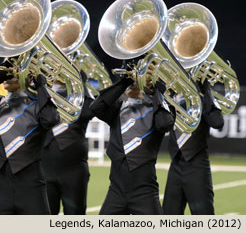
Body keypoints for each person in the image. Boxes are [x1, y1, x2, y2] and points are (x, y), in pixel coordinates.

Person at [0, 65, 60, 215]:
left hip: (32, 184)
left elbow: (51, 119)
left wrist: (41, 87)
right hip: (2, 184)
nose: (10, 75)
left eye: (15, 73)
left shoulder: (37, 105)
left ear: (28, 77)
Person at [89, 65, 175, 215]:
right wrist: (123, 83)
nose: (134, 83)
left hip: (145, 194)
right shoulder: (117, 109)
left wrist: (157, 92)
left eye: (139, 79)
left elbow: (164, 124)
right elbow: (96, 107)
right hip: (116, 191)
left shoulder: (158, 110)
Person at [162, 80, 224, 215]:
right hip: (175, 165)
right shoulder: (171, 98)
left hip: (197, 166)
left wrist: (206, 91)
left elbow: (217, 122)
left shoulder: (202, 99)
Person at [41, 72, 95, 215]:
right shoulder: (43, 93)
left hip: (74, 170)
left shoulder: (80, 96)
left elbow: (90, 111)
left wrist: (81, 84)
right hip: (45, 168)